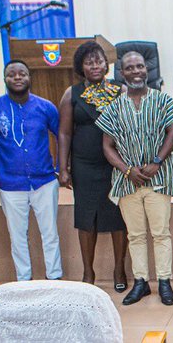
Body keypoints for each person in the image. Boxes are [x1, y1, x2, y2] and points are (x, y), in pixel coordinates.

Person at [96, 51, 173, 306]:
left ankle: (165, 282)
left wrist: (157, 161)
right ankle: (141, 282)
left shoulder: (162, 100)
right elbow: (107, 146)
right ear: (122, 73)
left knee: (160, 233)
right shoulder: (114, 107)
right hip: (127, 181)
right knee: (135, 235)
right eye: (130, 68)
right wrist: (127, 170)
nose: (136, 72)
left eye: (140, 67)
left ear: (147, 70)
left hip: (159, 177)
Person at [59, 41, 129, 292]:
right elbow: (65, 133)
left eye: (99, 61)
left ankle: (119, 269)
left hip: (115, 165)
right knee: (86, 218)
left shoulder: (119, 90)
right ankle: (88, 274)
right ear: (81, 66)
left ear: (106, 64)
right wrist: (63, 167)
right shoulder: (72, 93)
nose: (95, 65)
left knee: (117, 217)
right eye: (89, 62)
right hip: (84, 165)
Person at [0, 60, 63, 281]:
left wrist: (58, 168)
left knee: (50, 234)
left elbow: (61, 136)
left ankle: (54, 279)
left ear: (30, 77)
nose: (17, 77)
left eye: (22, 74)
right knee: (18, 236)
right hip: (10, 184)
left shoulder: (45, 107)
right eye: (11, 74)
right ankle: (24, 281)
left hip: (44, 181)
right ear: (5, 78)